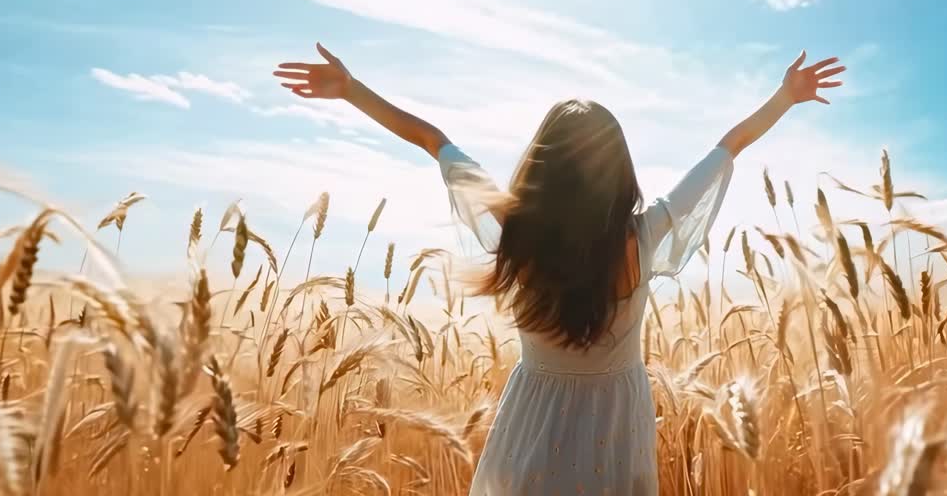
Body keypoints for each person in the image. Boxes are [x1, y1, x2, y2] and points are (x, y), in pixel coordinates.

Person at [274, 43, 845, 495]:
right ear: (618, 170)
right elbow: (727, 149)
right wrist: (784, 98)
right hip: (616, 430)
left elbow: (433, 141)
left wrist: (351, 91)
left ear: (542, 167)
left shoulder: (514, 238)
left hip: (532, 425)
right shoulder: (644, 237)